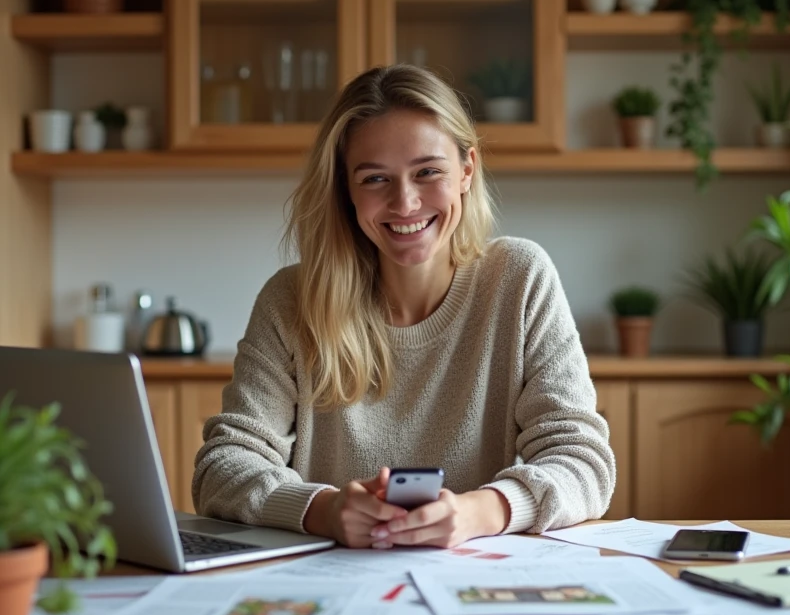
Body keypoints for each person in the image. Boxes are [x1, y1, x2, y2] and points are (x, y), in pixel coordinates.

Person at [191, 64, 615, 549]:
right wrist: (324, 510)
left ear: (466, 170)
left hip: (470, 576)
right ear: (346, 190)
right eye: (375, 179)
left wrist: (478, 512)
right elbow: (222, 467)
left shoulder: (519, 278)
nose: (405, 203)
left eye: (428, 172)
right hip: (330, 579)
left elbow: (584, 462)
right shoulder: (290, 300)